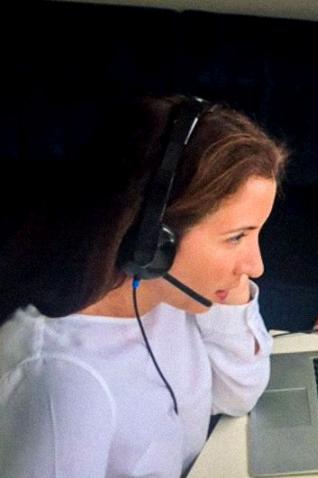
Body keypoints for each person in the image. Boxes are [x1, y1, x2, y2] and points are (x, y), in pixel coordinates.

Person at [0, 95, 288, 476]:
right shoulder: (63, 381)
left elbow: (237, 394)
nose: (257, 265)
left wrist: (230, 280)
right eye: (236, 237)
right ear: (152, 240)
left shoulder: (167, 294)